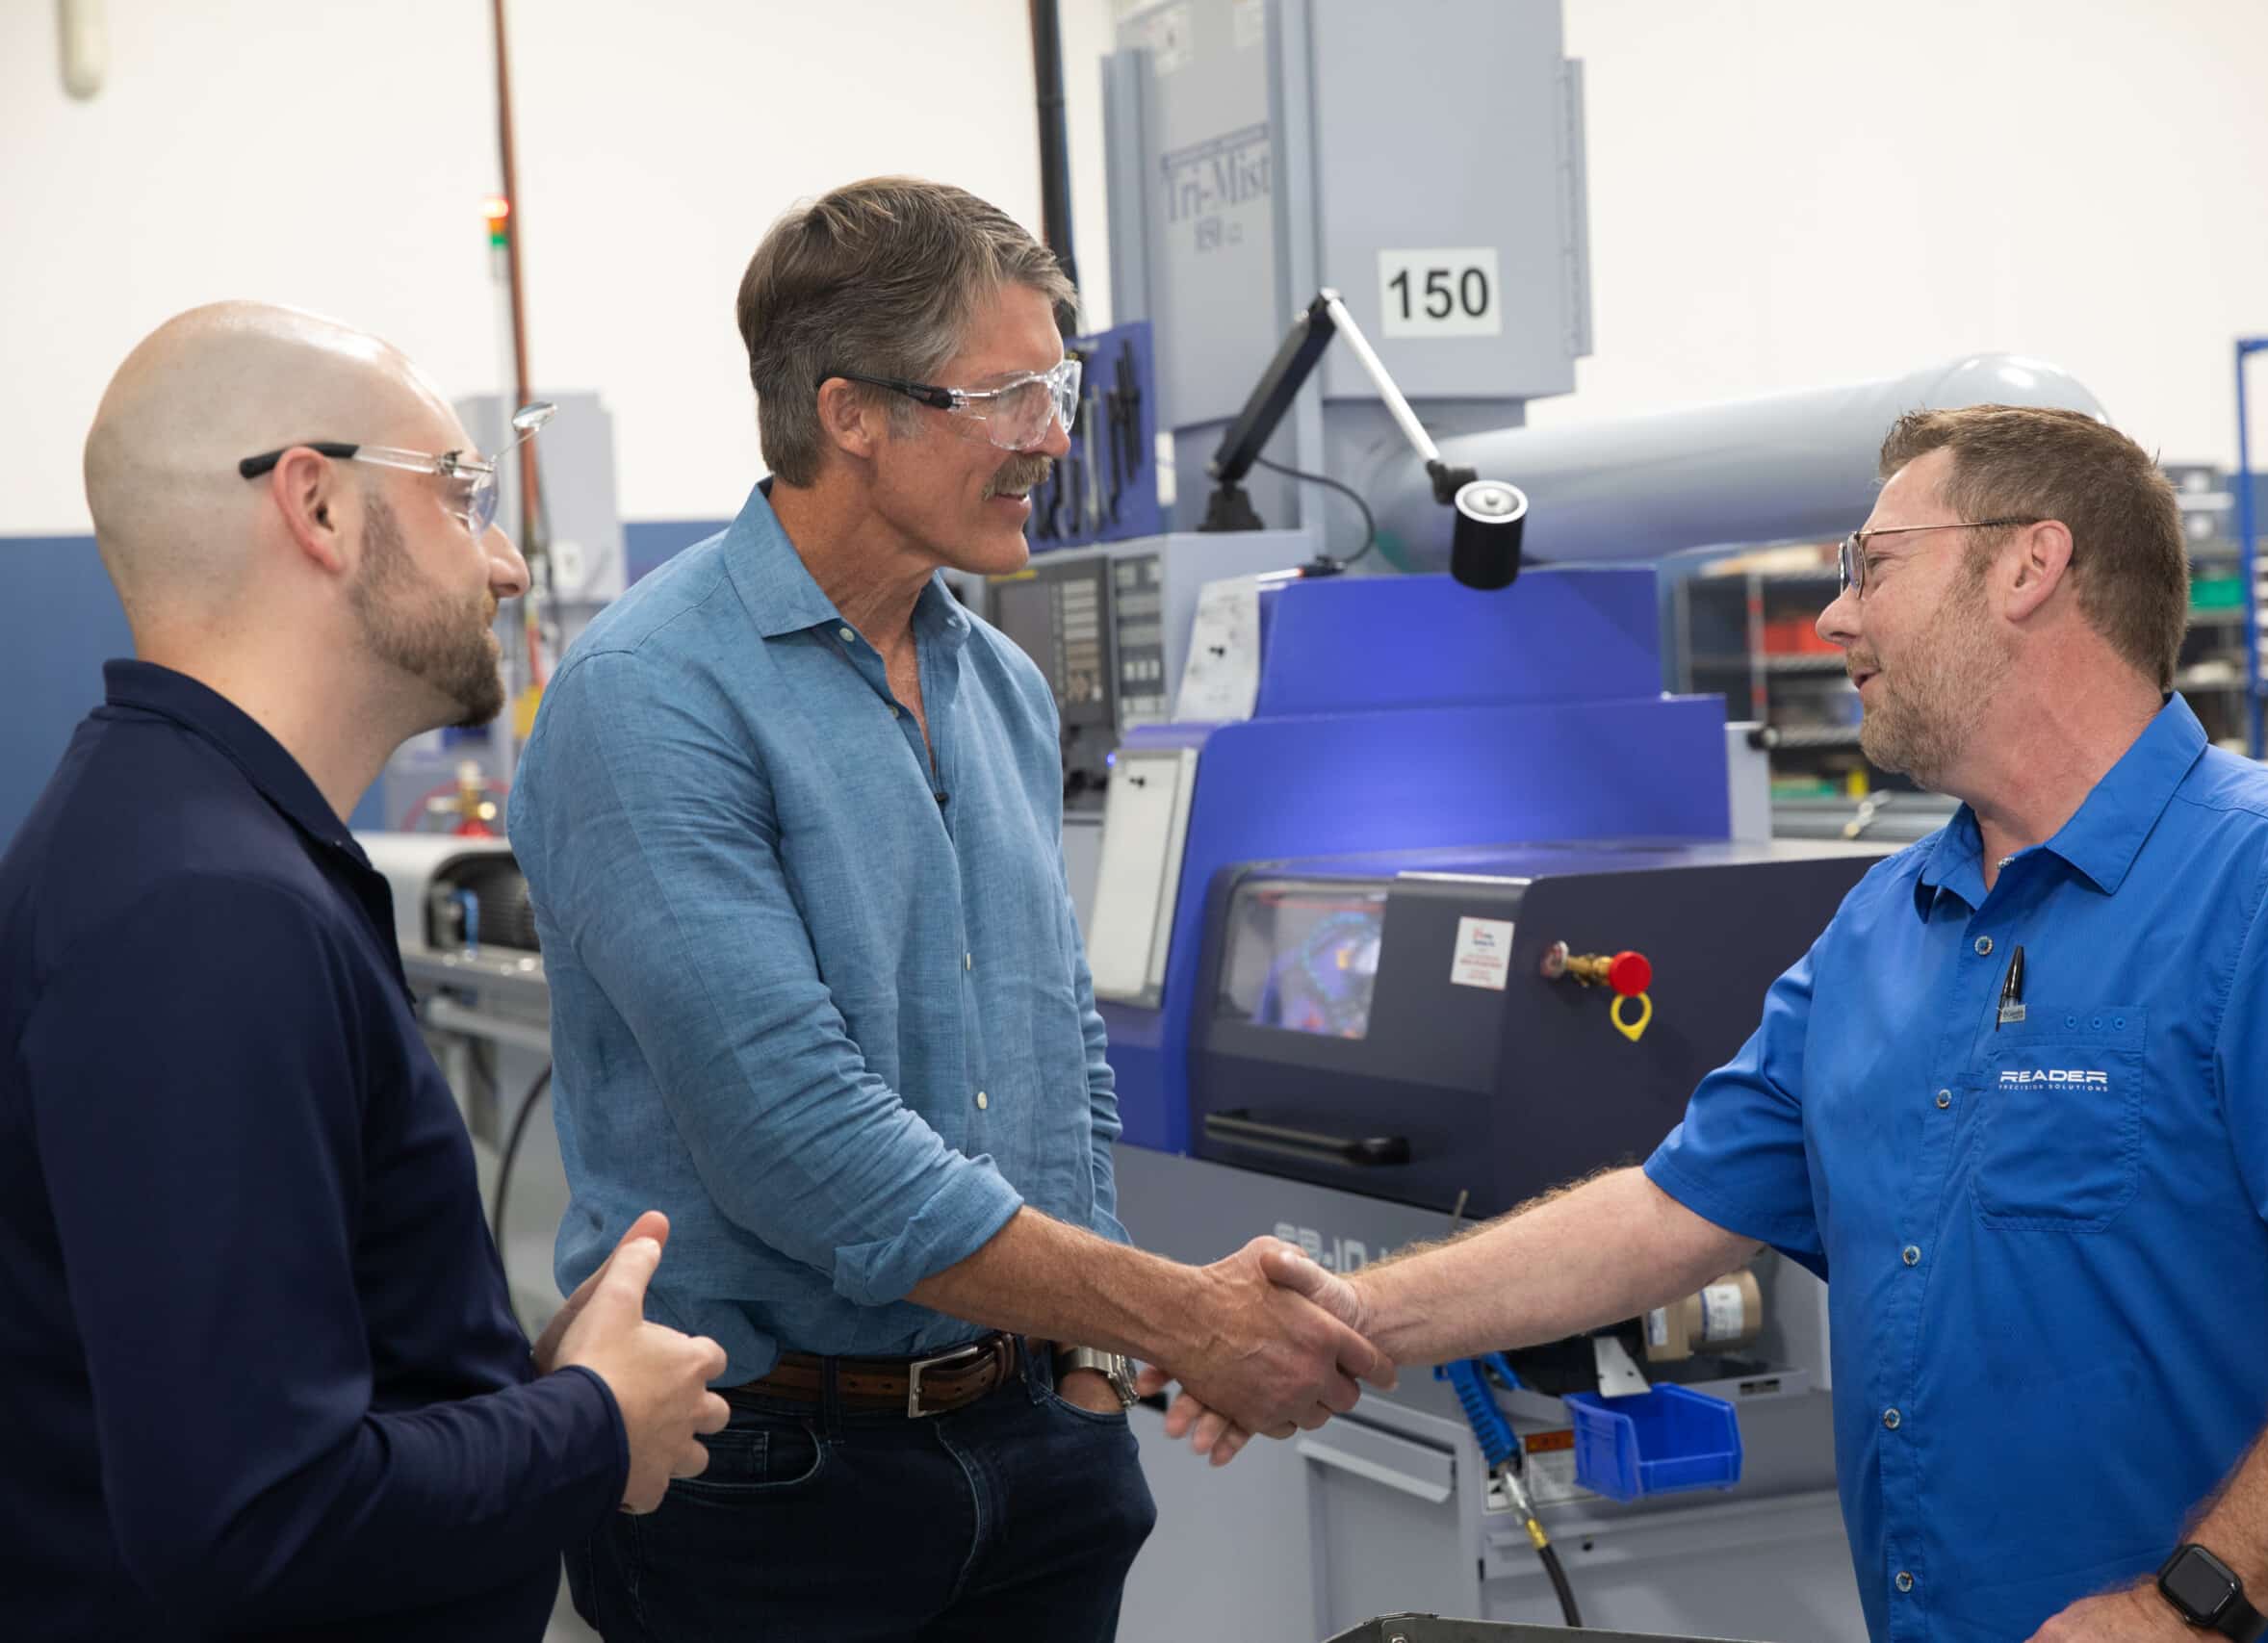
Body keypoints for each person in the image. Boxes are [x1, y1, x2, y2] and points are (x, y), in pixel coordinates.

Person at [1151, 405, 2268, 1643]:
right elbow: (1668, 1214)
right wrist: (1342, 1318)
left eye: (1874, 564)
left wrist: (2194, 1607)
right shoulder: (1889, 923)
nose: (1837, 612)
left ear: (2028, 568)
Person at [505, 177, 1390, 1643]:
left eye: (1059, 386)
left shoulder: (999, 685)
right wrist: (1173, 1317)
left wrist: (1093, 1366)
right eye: (1012, 393)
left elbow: (1056, 1040)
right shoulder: (651, 699)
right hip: (771, 1483)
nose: (1052, 434)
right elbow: (803, 1149)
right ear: (851, 413)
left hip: (1037, 1447)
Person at [0, 302, 732, 1643]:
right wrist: (591, 1425)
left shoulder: (190, 844)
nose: (506, 564)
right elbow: (251, 1517)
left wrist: (517, 1388)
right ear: (318, 506)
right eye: (460, 497)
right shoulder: (206, 914)